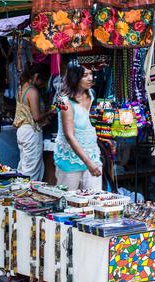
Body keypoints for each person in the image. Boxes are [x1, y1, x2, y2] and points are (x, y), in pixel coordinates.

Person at [54, 61, 102, 190]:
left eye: (91, 74)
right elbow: (69, 135)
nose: (90, 78)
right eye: (85, 75)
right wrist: (88, 163)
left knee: (94, 201)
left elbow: (92, 125)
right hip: (69, 160)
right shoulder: (62, 100)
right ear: (74, 77)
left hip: (92, 156)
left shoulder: (92, 94)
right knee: (68, 202)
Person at [14, 62, 54, 181]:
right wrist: (49, 111)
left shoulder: (21, 88)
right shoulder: (33, 91)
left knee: (24, 165)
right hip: (31, 132)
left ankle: (20, 192)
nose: (43, 84)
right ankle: (26, 196)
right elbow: (36, 117)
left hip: (22, 131)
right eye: (43, 80)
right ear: (37, 77)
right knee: (31, 169)